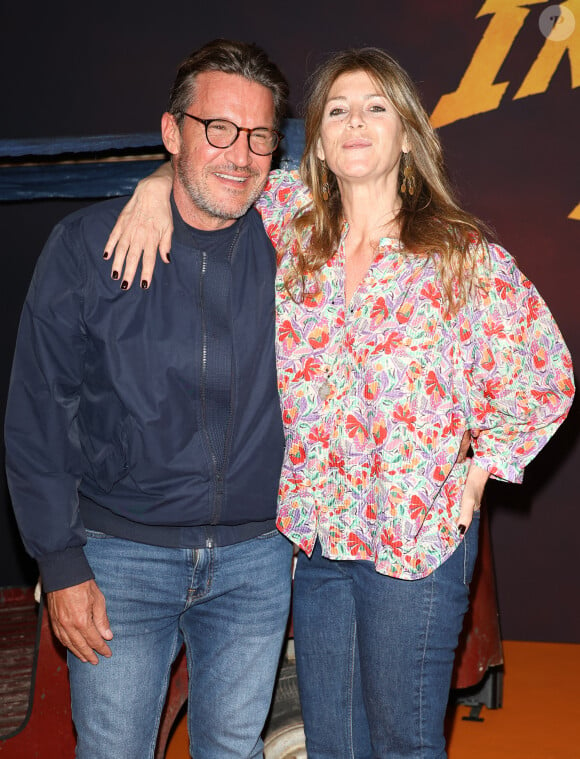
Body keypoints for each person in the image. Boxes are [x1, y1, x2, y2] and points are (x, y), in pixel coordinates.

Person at [104, 48, 574, 758]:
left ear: (409, 135)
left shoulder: (460, 256)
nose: (356, 122)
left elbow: (545, 376)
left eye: (376, 108)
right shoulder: (291, 226)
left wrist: (483, 470)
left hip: (413, 542)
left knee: (403, 743)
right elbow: (217, 176)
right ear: (318, 140)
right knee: (331, 744)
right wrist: (152, 184)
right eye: (338, 110)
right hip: (319, 542)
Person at [4, 40, 295, 759]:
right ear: (173, 133)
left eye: (259, 136)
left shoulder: (299, 244)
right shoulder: (87, 247)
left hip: (258, 560)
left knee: (234, 748)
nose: (239, 153)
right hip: (120, 561)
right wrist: (61, 565)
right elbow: (38, 414)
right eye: (217, 129)